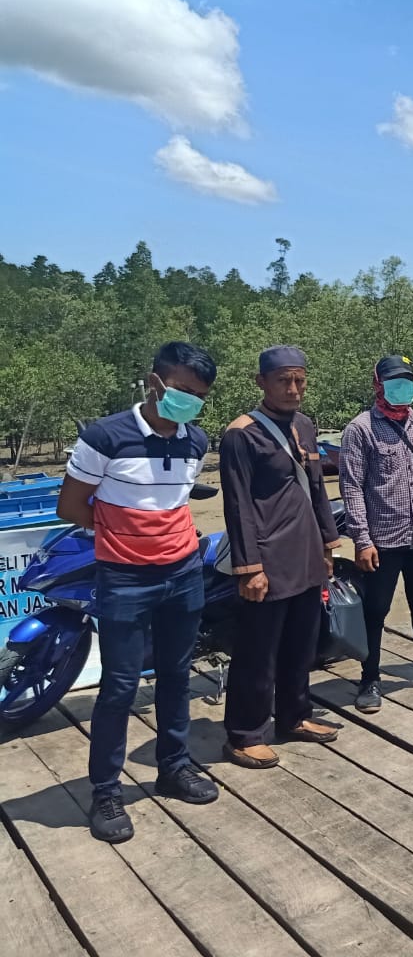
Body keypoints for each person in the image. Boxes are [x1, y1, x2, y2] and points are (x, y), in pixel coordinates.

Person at [59, 342, 219, 843]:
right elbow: (72, 506)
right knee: (121, 686)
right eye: (181, 391)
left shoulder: (196, 442)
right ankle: (105, 791)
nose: (189, 402)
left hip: (183, 574)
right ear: (154, 383)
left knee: (175, 675)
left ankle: (173, 766)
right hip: (125, 579)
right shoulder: (105, 436)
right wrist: (123, 540)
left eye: (199, 396)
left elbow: (174, 504)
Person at [221, 345, 343, 769]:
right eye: (283, 381)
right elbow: (237, 506)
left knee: (300, 645)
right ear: (261, 382)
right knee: (258, 650)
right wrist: (249, 567)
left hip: (306, 552)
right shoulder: (242, 433)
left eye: (299, 380)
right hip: (267, 558)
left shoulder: (305, 426)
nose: (293, 389)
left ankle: (295, 716)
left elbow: (316, 489)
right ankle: (245, 733)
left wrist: (329, 545)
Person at [340, 355, 413, 713]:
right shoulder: (359, 429)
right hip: (382, 540)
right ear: (378, 385)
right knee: (375, 610)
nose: (402, 389)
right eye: (394, 383)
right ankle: (370, 679)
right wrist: (362, 540)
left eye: (408, 382)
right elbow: (352, 488)